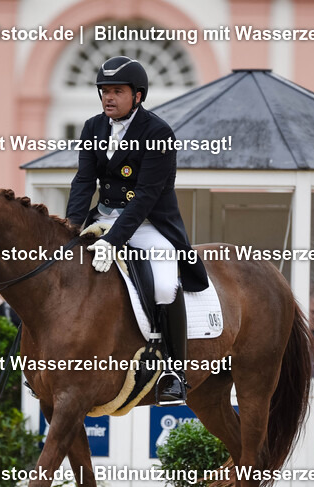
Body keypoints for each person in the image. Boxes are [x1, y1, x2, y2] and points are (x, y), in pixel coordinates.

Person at [65, 55, 208, 406]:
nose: (108, 98)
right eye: (104, 91)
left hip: (147, 224)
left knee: (163, 284)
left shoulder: (158, 133)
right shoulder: (92, 127)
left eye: (116, 91)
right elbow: (84, 181)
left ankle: (175, 371)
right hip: (102, 219)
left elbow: (145, 196)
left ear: (138, 96)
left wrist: (113, 242)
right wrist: (69, 229)